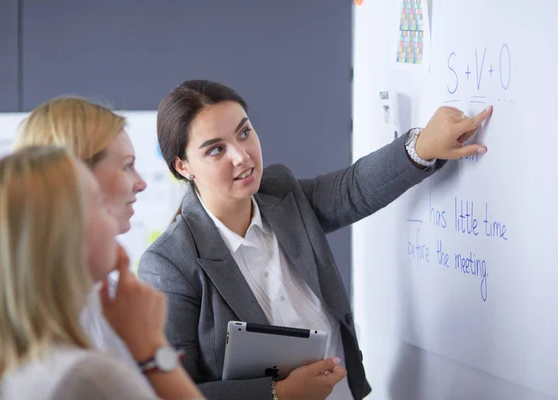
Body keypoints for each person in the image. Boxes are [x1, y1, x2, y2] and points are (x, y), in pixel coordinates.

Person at [137, 79, 493, 399]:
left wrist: (422, 147)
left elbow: (352, 188)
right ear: (183, 166)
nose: (241, 156)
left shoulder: (281, 193)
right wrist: (277, 394)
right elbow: (172, 391)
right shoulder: (170, 263)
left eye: (244, 132)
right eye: (216, 149)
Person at [0, 146, 203, 399]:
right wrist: (151, 347)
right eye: (99, 202)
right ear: (64, 236)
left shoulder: (4, 370)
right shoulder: (84, 377)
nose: (111, 213)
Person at [13, 97, 203, 400]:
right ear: (76, 180)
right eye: (127, 166)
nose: (140, 183)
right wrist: (152, 348)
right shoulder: (73, 356)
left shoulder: (98, 300)